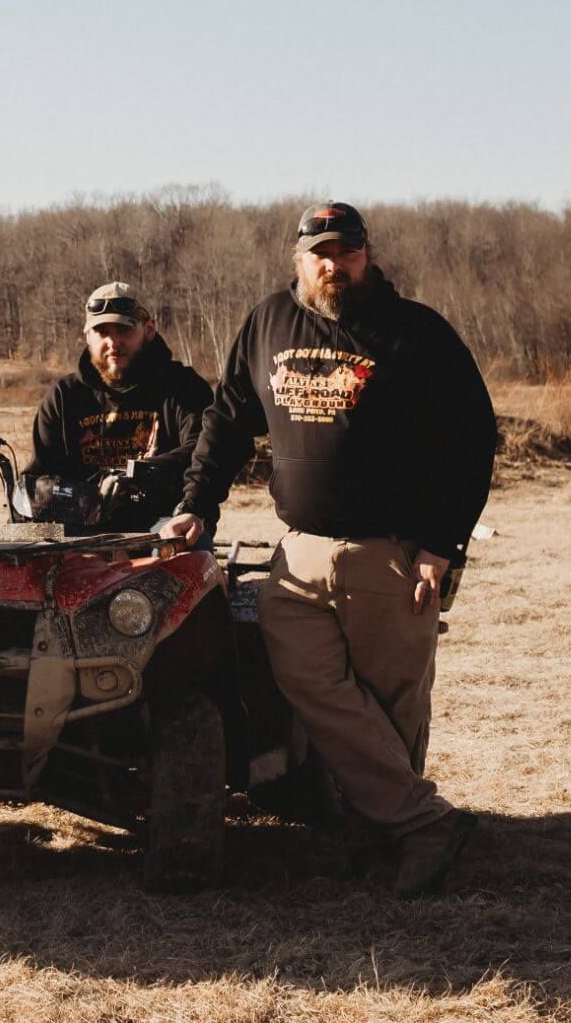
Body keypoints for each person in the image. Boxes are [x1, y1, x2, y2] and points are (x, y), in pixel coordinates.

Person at [160, 203, 496, 896]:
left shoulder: (415, 332)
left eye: (345, 251)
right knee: (308, 685)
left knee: (391, 703)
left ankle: (384, 843)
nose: (332, 264)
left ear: (366, 255)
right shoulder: (268, 323)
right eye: (319, 252)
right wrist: (197, 505)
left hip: (392, 553)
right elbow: (226, 420)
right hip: (300, 552)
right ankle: (425, 822)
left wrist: (442, 545)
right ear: (299, 259)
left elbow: (470, 438)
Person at [21, 281, 212, 534]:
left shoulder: (184, 387)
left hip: (167, 526)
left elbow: (205, 454)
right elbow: (36, 480)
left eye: (124, 330)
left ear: (149, 329)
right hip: (83, 533)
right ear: (87, 336)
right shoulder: (64, 396)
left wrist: (140, 474)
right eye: (102, 332)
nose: (113, 342)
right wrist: (86, 496)